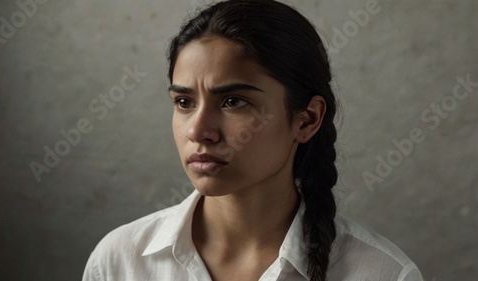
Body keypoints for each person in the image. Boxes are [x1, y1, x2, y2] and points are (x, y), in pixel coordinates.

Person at [82, 0, 423, 280]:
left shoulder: (384, 274)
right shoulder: (120, 263)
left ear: (307, 119)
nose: (198, 131)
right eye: (184, 102)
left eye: (234, 102)